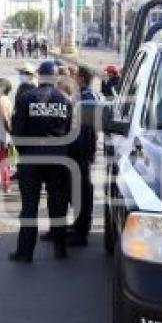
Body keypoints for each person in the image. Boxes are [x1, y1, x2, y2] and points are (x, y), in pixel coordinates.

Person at [9, 61, 73, 262]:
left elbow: (17, 133)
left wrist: (25, 153)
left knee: (29, 207)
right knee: (58, 205)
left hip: (31, 159)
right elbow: (71, 133)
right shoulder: (65, 100)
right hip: (58, 159)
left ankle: (25, 252)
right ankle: (60, 249)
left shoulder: (25, 98)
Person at [69, 67, 99, 247]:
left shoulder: (86, 97)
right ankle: (79, 227)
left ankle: (81, 232)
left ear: (81, 78)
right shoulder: (84, 95)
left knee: (81, 192)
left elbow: (85, 129)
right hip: (82, 151)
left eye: (75, 76)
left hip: (80, 152)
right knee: (79, 191)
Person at [0, 78, 14, 193]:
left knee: (2, 161)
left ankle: (6, 184)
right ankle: (7, 183)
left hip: (2, 135)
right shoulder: (7, 100)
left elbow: (5, 118)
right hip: (6, 135)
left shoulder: (1, 101)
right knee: (7, 161)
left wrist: (8, 131)